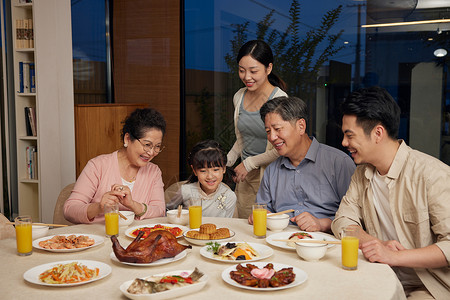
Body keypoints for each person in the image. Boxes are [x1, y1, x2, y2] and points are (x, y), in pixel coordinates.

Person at [331, 86, 450, 299]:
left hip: (427, 286)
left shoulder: (432, 174)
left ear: (378, 133)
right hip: (376, 274)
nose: (344, 143)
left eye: (349, 135)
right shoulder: (361, 174)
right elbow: (341, 221)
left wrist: (394, 256)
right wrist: (373, 244)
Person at [249, 96, 356, 232]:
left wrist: (321, 224)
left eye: (277, 129)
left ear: (301, 126)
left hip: (326, 244)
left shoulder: (339, 163)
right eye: (268, 131)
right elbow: (262, 210)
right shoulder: (272, 171)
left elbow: (356, 220)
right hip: (280, 242)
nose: (272, 137)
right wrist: (258, 216)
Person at [64, 108, 167, 223]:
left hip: (137, 237)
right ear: (127, 139)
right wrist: (99, 207)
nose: (151, 152)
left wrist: (132, 205)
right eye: (147, 144)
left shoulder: (154, 171)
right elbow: (69, 209)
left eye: (157, 146)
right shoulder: (98, 166)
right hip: (100, 237)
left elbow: (160, 210)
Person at [227, 40, 288, 219]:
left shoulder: (280, 99)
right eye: (241, 70)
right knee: (243, 229)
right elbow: (243, 138)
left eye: (254, 71)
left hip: (272, 176)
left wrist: (249, 163)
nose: (247, 77)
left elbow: (283, 146)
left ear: (268, 68)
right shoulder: (239, 96)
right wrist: (227, 161)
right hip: (245, 177)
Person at [167, 140, 237, 218]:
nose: (210, 176)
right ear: (194, 171)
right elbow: (167, 212)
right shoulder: (186, 191)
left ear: (224, 168)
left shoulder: (229, 196)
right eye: (203, 171)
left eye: (215, 170)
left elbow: (227, 224)